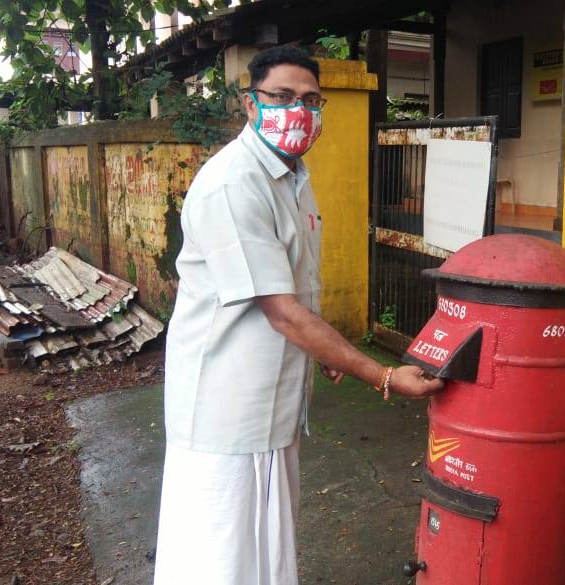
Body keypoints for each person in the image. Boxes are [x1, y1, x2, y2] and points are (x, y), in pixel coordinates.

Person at [152, 46, 444, 585]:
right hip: (227, 400)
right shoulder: (233, 184)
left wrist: (322, 350)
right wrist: (379, 373)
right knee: (221, 547)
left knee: (265, 540)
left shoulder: (292, 175)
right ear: (249, 104)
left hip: (274, 396)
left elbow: (294, 291)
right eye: (281, 97)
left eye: (311, 99)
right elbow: (283, 312)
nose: (299, 111)